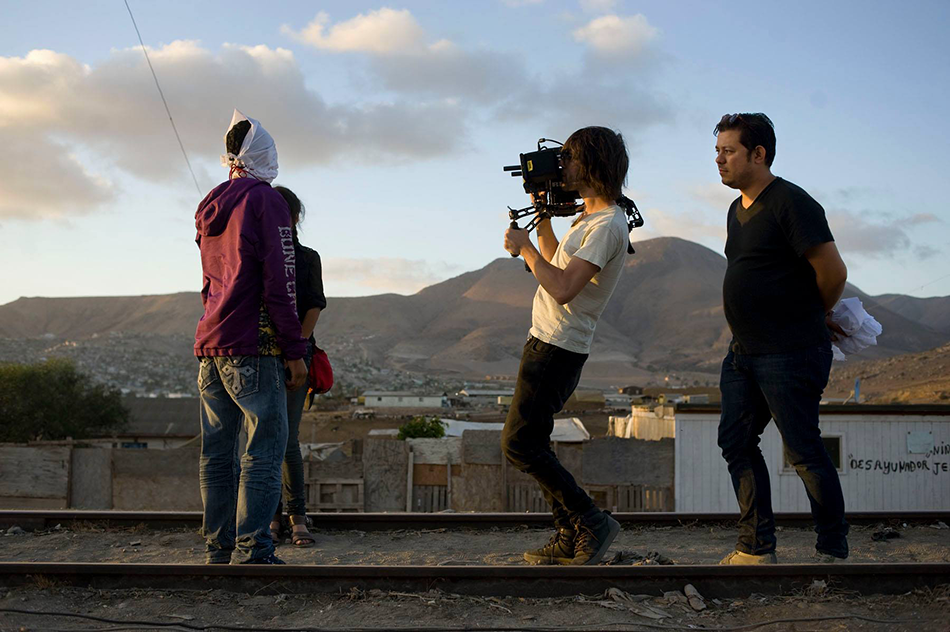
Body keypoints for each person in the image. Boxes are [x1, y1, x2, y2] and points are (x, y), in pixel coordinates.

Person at [713, 112, 850, 564]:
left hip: (790, 352)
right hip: (743, 353)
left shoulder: (792, 202)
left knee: (804, 452)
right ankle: (756, 548)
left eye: (728, 151)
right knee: (735, 441)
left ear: (759, 153)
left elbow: (832, 272)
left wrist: (814, 314)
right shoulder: (736, 210)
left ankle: (832, 550)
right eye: (717, 151)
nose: (719, 160)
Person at [501, 126, 630, 565]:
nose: (564, 166)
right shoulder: (589, 219)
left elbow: (561, 287)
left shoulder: (608, 223)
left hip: (557, 346)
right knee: (532, 442)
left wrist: (523, 249)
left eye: (572, 158)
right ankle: (570, 534)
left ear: (593, 164)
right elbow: (557, 261)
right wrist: (542, 224)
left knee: (519, 445)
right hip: (547, 341)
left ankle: (590, 521)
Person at [194, 110, 308, 565]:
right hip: (254, 347)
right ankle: (253, 549)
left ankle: (217, 548)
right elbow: (280, 281)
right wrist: (294, 350)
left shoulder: (210, 202)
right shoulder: (267, 201)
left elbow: (209, 279)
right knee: (264, 450)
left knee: (216, 455)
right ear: (262, 154)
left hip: (210, 342)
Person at [269, 185, 327, 548]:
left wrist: (297, 350)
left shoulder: (307, 258)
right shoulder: (262, 257)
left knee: (287, 439)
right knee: (268, 439)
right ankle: (274, 516)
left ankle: (295, 515)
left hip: (295, 355)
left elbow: (314, 306)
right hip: (262, 353)